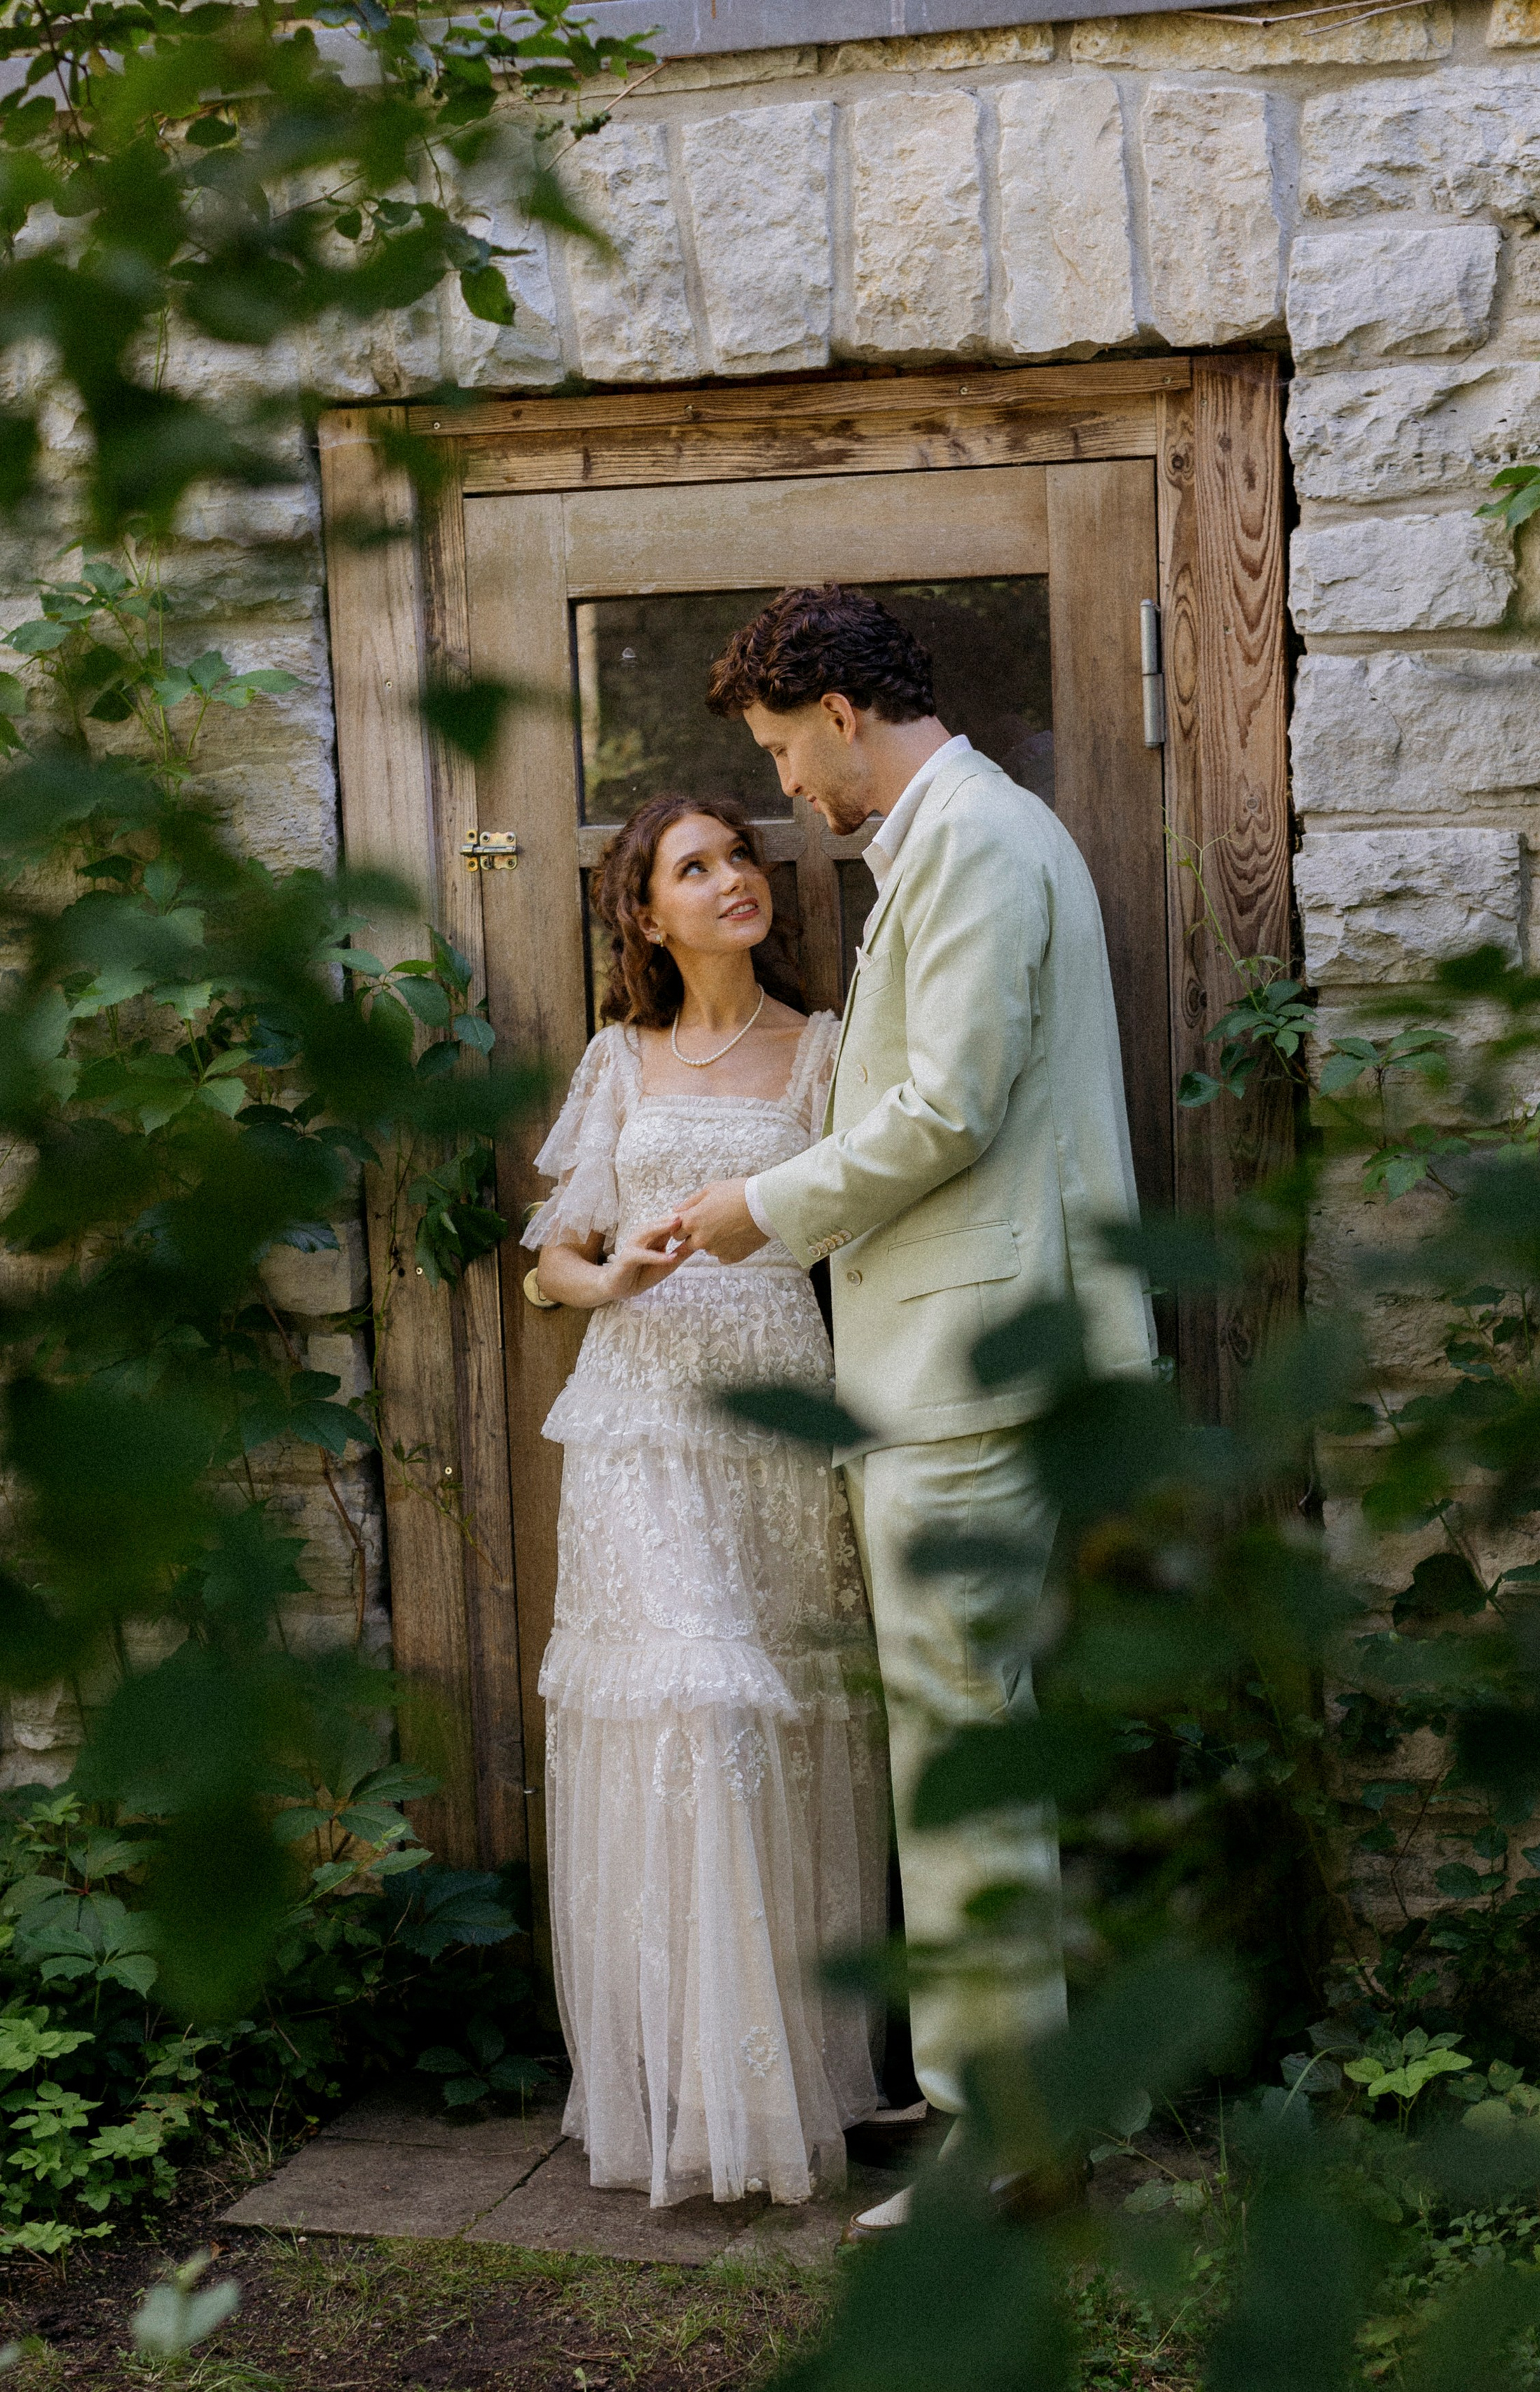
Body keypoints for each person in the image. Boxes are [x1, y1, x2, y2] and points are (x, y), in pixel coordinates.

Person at [673, 585, 1155, 2236]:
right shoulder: (965, 834)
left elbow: (945, 1105)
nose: (786, 793)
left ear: (832, 706)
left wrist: (766, 1205)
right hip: (971, 1360)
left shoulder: (972, 841)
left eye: (778, 754)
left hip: (966, 1370)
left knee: (964, 1746)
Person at [521, 792, 888, 2210]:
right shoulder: (619, 1058)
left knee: (779, 1720)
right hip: (638, 1423)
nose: (731, 877)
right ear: (645, 914)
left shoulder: (826, 1051)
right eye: (695, 866)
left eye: (739, 854)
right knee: (695, 1709)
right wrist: (605, 1278)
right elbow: (556, 1257)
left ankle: (781, 2080)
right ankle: (688, 2098)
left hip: (774, 1421)